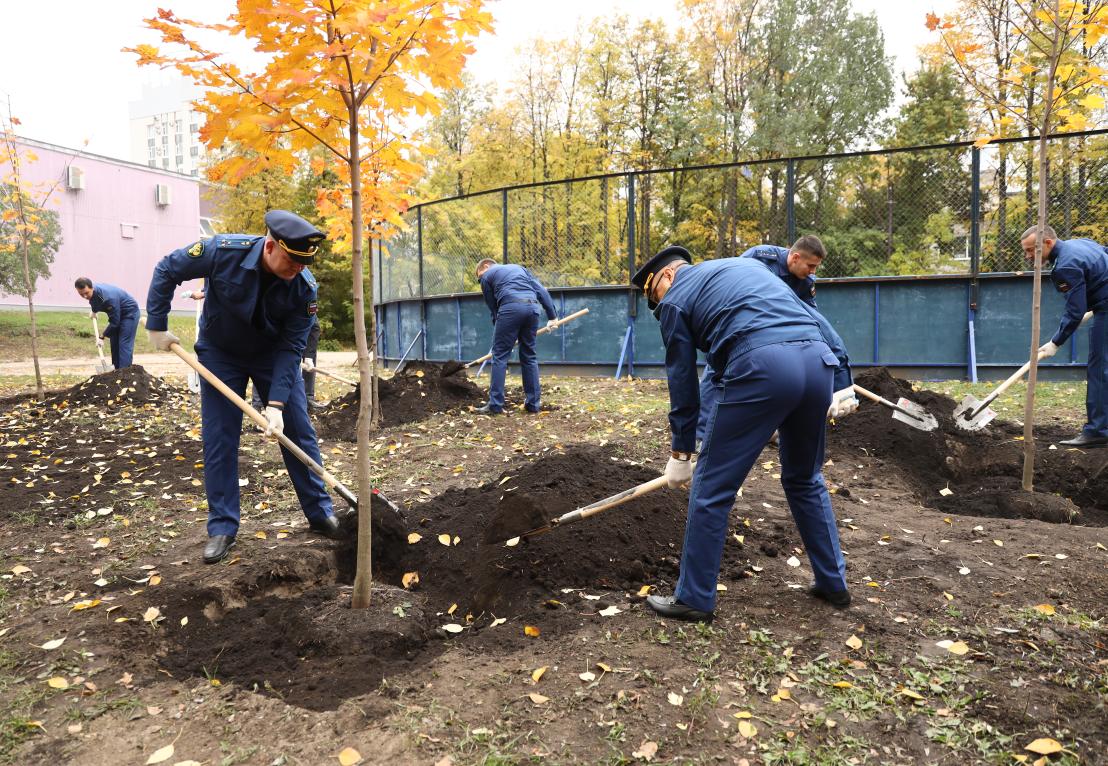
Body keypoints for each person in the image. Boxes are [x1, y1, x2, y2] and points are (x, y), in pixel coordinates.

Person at [631, 245, 854, 623]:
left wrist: (681, 455)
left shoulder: (675, 300)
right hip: (818, 363)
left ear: (666, 276)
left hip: (763, 366)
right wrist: (842, 377)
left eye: (654, 297)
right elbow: (816, 318)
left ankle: (694, 598)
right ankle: (834, 583)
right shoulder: (743, 268)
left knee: (711, 487)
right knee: (804, 477)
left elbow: (682, 385)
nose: (659, 307)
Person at [145, 210, 344, 564]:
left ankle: (319, 511)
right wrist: (157, 324)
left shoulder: (304, 288)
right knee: (220, 436)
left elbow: (291, 348)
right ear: (270, 246)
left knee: (299, 430)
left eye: (304, 262)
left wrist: (277, 405)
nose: (298, 268)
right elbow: (167, 269)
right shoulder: (222, 251)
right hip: (222, 354)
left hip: (271, 357)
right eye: (292, 260)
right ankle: (223, 526)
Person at [696, 236, 857, 444]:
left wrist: (841, 378)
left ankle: (769, 430)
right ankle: (698, 436)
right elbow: (732, 284)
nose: (813, 272)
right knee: (715, 373)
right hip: (740, 326)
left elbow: (812, 320)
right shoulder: (759, 258)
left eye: (816, 267)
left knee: (782, 379)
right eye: (811, 266)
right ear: (795, 257)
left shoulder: (805, 282)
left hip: (773, 337)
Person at [1021, 224, 1108, 447]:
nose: (1028, 256)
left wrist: (1055, 342)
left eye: (1032, 250)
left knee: (1099, 369)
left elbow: (1075, 311)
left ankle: (1098, 431)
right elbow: (1104, 252)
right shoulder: (1080, 244)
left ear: (1048, 243)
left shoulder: (1066, 266)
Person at [474, 258, 559, 415]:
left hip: (510, 308)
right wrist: (553, 316)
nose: (480, 280)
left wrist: (502, 335)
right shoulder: (519, 268)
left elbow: (494, 309)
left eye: (479, 276)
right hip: (533, 309)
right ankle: (533, 404)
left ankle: (495, 405)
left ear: (485, 266)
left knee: (499, 356)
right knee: (529, 356)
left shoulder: (487, 276)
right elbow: (541, 291)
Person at [74, 278, 140, 370]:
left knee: (124, 344)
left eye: (86, 293)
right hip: (117, 312)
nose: (85, 296)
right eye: (81, 294)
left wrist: (102, 336)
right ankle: (117, 371)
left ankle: (125, 374)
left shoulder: (107, 298)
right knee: (114, 343)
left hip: (129, 313)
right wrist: (94, 311)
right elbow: (95, 300)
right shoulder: (95, 293)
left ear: (92, 287)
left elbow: (115, 323)